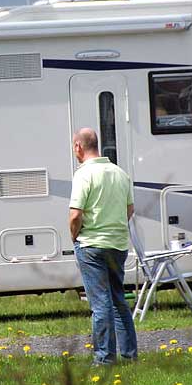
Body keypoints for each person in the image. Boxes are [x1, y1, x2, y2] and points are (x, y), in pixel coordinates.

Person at [68, 128, 137, 366]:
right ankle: (129, 355)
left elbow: (76, 214)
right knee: (119, 300)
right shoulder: (120, 173)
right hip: (117, 245)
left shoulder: (83, 175)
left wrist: (74, 237)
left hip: (92, 245)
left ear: (78, 146)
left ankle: (105, 358)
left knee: (100, 304)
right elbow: (130, 209)